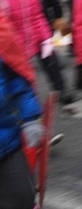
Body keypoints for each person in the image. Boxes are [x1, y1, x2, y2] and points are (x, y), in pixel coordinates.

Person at [0, 0, 73, 105]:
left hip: (36, 34)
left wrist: (46, 37)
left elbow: (37, 15)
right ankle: (29, 100)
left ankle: (61, 88)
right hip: (15, 43)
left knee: (51, 61)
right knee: (22, 72)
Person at [0, 11, 44, 209]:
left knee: (23, 199)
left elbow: (17, 78)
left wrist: (30, 117)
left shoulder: (1, 33)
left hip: (6, 141)